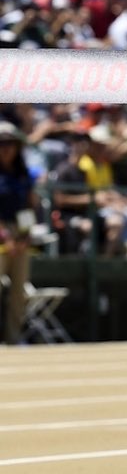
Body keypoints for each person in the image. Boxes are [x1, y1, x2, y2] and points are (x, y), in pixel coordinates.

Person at [0, 121, 38, 344]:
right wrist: (5, 236)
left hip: (19, 234)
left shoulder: (23, 175)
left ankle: (13, 338)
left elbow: (28, 207)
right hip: (2, 233)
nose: (6, 148)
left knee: (18, 290)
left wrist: (24, 236)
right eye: (1, 143)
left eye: (10, 143)